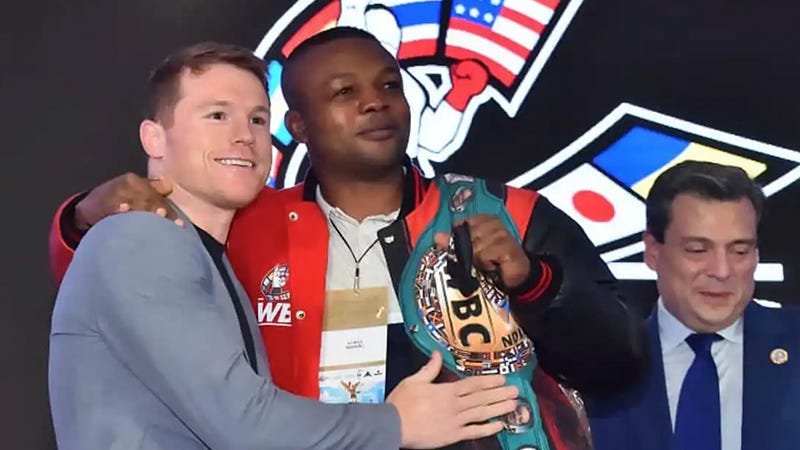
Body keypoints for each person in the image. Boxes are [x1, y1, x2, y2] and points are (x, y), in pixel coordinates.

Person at [49, 28, 648, 449]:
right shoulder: (242, 223)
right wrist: (85, 219)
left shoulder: (505, 212)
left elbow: (622, 359)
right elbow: (128, 299)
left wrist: (534, 281)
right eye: (344, 92)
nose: (373, 103)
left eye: (389, 85)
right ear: (299, 125)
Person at [585, 160, 800, 450]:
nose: (722, 271)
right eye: (698, 250)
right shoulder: (594, 368)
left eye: (740, 250)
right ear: (653, 251)